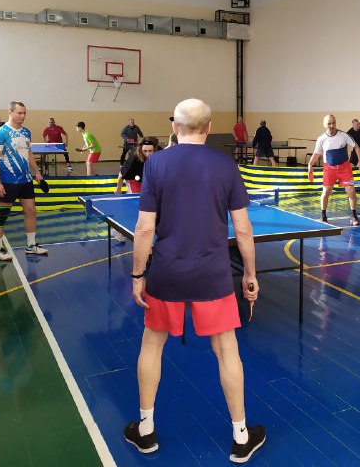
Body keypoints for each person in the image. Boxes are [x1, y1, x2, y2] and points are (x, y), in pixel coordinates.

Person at [124, 99, 266, 463]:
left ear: (175, 127)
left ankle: (145, 430)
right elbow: (243, 228)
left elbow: (144, 228)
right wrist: (250, 274)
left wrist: (138, 274)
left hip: (167, 272)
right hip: (213, 274)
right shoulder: (226, 165)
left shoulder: (155, 164)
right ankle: (240, 436)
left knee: (152, 345)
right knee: (227, 350)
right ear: (209, 128)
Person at [0, 101, 48, 261]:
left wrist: (37, 173)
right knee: (2, 215)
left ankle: (31, 246)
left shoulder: (26, 132)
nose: (23, 116)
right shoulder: (1, 133)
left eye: (24, 113)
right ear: (10, 112)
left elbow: (29, 153)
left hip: (26, 180)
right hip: (7, 181)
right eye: (19, 113)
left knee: (31, 211)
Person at [307, 114, 360, 226]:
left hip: (344, 168)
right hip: (329, 169)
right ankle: (323, 216)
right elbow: (316, 153)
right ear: (324, 124)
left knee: (351, 190)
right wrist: (310, 164)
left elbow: (356, 147)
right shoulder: (321, 139)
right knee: (326, 191)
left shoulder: (344, 135)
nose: (332, 125)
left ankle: (354, 215)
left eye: (333, 123)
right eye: (329, 123)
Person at [113, 137, 159, 243]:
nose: (148, 153)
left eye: (150, 151)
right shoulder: (134, 159)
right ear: (140, 149)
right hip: (133, 181)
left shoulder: (158, 154)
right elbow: (121, 174)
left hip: (147, 180)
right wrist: (118, 189)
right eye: (145, 151)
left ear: (155, 149)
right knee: (135, 206)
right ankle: (117, 230)